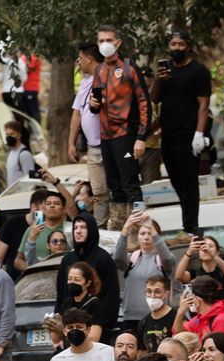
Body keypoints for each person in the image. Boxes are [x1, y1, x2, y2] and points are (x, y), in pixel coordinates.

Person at [89, 25, 150, 228]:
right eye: (101, 41)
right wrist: (93, 104)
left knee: (130, 183)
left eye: (109, 40)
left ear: (118, 43)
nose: (105, 44)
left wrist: (141, 137)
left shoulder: (129, 68)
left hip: (126, 134)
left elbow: (144, 102)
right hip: (105, 136)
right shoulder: (99, 70)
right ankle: (120, 228)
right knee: (114, 185)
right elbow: (95, 104)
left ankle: (141, 227)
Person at [154, 30, 212, 235]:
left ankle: (190, 227)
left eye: (180, 44)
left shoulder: (198, 71)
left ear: (188, 46)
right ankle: (188, 222)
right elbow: (154, 99)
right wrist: (158, 80)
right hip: (168, 135)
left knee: (189, 183)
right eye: (173, 44)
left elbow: (203, 104)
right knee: (176, 180)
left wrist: (199, 133)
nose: (176, 48)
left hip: (188, 134)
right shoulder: (166, 70)